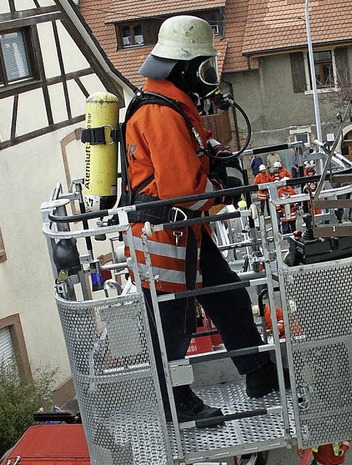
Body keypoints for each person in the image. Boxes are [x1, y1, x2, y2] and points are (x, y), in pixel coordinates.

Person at [123, 15, 279, 425]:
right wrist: (220, 184)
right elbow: (184, 190)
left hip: (181, 233)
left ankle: (259, 372)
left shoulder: (173, 105)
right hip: (165, 239)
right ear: (184, 67)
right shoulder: (160, 113)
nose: (208, 79)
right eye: (205, 69)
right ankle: (175, 401)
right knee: (173, 324)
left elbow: (193, 148)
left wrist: (216, 155)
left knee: (227, 295)